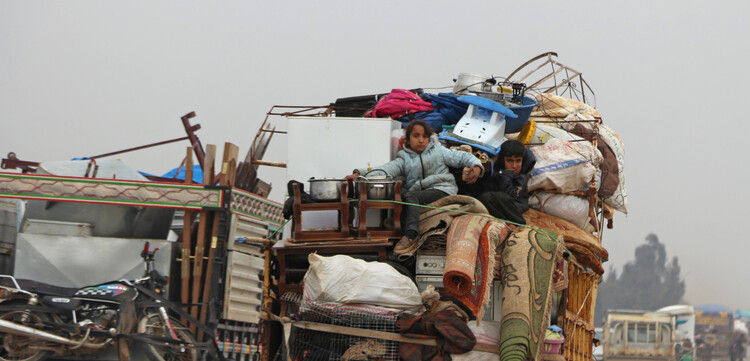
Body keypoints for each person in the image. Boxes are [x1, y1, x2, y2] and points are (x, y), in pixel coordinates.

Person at [346, 120, 483, 254]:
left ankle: (410, 235)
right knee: (403, 193)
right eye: (416, 136)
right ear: (408, 139)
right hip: (418, 192)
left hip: (441, 189)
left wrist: (477, 165)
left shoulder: (439, 151)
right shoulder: (404, 158)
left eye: (425, 136)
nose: (421, 140)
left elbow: (462, 157)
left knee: (411, 196)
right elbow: (385, 170)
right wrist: (359, 173)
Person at [474, 140, 536, 225]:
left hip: (515, 205)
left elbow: (511, 195)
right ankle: (506, 221)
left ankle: (519, 222)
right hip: (497, 203)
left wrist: (507, 174)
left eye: (518, 161)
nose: (514, 165)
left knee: (500, 196)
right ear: (503, 160)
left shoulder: (522, 177)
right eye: (509, 161)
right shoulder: (498, 170)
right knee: (483, 198)